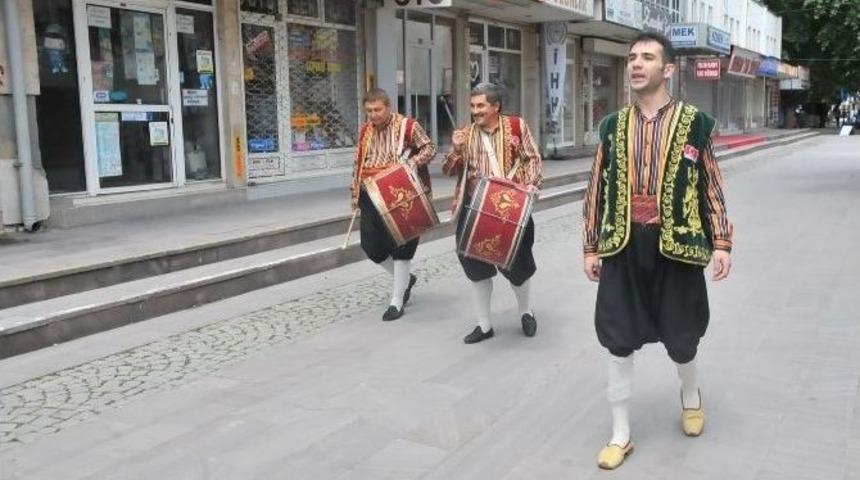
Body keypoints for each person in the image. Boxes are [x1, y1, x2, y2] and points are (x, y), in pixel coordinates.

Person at [581, 32, 734, 470]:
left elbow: (710, 184)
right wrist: (590, 245)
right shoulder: (612, 126)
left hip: (677, 245)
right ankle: (620, 433)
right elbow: (596, 188)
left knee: (682, 337)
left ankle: (691, 394)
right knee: (617, 337)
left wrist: (721, 241)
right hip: (623, 244)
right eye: (632, 57)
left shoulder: (695, 123)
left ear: (667, 69)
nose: (635, 64)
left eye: (647, 57)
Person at [443, 82, 543, 344]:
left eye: (481, 106)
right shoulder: (465, 134)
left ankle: (525, 311)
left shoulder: (517, 126)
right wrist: (456, 150)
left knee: (518, 264)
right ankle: (484, 324)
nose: (475, 111)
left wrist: (531, 184)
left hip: (511, 205)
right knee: (474, 265)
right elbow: (448, 170)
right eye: (472, 106)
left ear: (496, 106)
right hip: (474, 207)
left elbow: (532, 158)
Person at [351, 88, 437, 321]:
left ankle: (397, 300)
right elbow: (359, 161)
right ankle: (407, 279)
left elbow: (430, 148)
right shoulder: (365, 130)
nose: (373, 115)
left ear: (388, 107)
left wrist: (411, 163)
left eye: (377, 110)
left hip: (399, 190)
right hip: (371, 192)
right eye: (369, 110)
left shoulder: (408, 126)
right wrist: (355, 193)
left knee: (402, 246)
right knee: (370, 246)